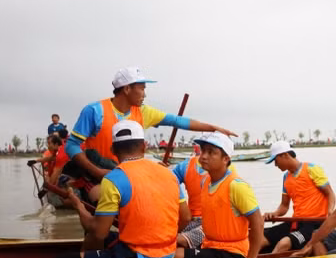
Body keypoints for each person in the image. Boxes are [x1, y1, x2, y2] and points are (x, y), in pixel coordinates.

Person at [47, 120, 189, 258]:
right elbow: (186, 218)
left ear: (113, 151)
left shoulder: (114, 179)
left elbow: (98, 232)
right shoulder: (169, 174)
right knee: (106, 239)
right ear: (143, 146)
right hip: (167, 251)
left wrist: (78, 206)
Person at [64, 66, 237, 201]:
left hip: (131, 174)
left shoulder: (143, 112)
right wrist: (97, 171)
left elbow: (178, 121)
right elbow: (71, 146)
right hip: (100, 175)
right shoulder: (95, 111)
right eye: (142, 89)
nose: (144, 94)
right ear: (126, 89)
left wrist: (214, 128)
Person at [179, 133, 264, 258]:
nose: (204, 156)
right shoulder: (205, 182)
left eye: (211, 152)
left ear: (226, 159)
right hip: (210, 245)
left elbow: (258, 223)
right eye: (203, 150)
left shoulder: (236, 186)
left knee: (175, 256)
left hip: (232, 252)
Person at [261, 141, 336, 253]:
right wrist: (274, 214)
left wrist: (330, 212)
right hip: (295, 222)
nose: (276, 165)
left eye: (276, 161)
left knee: (283, 244)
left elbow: (330, 194)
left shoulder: (312, 169)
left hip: (314, 224)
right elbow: (284, 206)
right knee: (259, 238)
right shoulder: (286, 177)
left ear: (285, 155)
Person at [171, 151, 208, 249]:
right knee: (171, 235)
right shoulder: (186, 166)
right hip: (192, 221)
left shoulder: (229, 175)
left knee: (178, 239)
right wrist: (161, 171)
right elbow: (169, 181)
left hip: (210, 224)